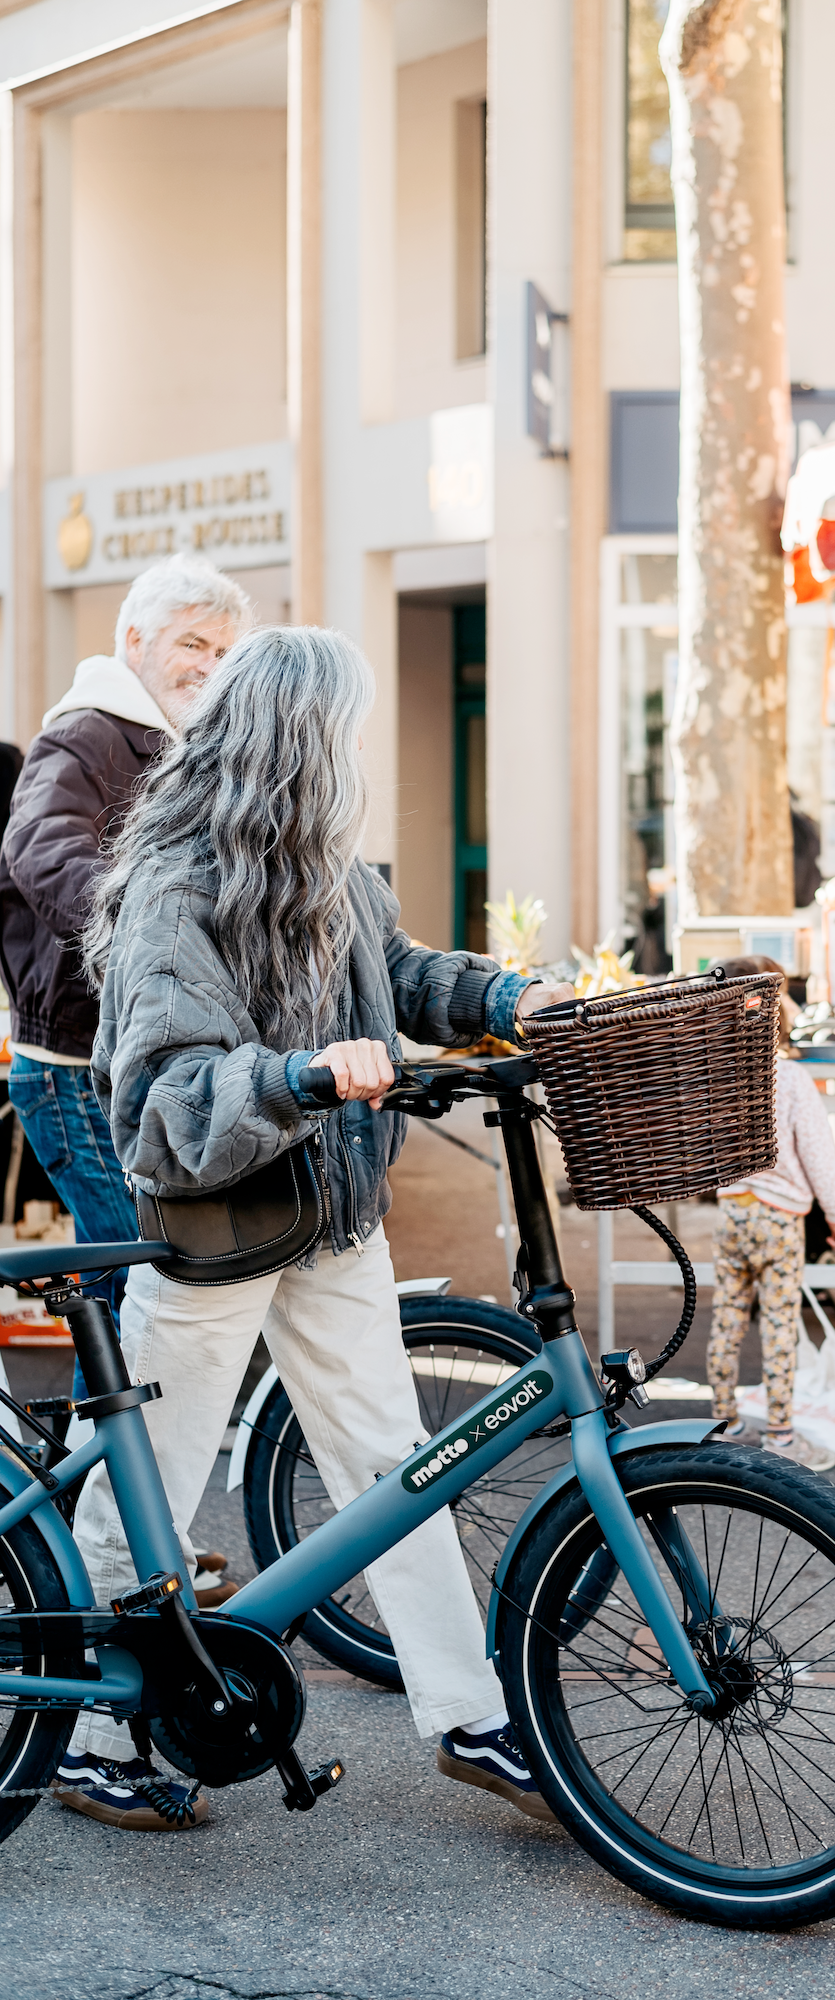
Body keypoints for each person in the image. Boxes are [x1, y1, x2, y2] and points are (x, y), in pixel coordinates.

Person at [50, 624, 574, 1833]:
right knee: (153, 1488)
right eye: (345, 729)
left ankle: (467, 1713)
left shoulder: (336, 872)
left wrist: (505, 996)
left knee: (398, 1465)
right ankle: (83, 1731)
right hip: (221, 1231)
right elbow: (167, 1104)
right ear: (300, 742)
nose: (359, 751)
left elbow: (398, 974)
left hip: (332, 1218)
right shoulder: (175, 887)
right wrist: (299, 1078)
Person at [0, 555, 250, 1387]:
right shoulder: (87, 732)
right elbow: (38, 849)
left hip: (130, 1056)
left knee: (128, 1282)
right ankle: (95, 1493)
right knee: (135, 1279)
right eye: (192, 643)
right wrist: (142, 942)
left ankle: (92, 1489)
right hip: (73, 1064)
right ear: (135, 640)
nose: (208, 665)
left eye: (222, 649)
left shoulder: (182, 746)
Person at [706, 955, 835, 1474]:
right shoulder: (789, 1079)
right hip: (780, 1218)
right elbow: (819, 1158)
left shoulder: (713, 1077)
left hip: (731, 1214)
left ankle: (724, 1423)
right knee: (780, 1325)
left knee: (727, 1318)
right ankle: (783, 1435)